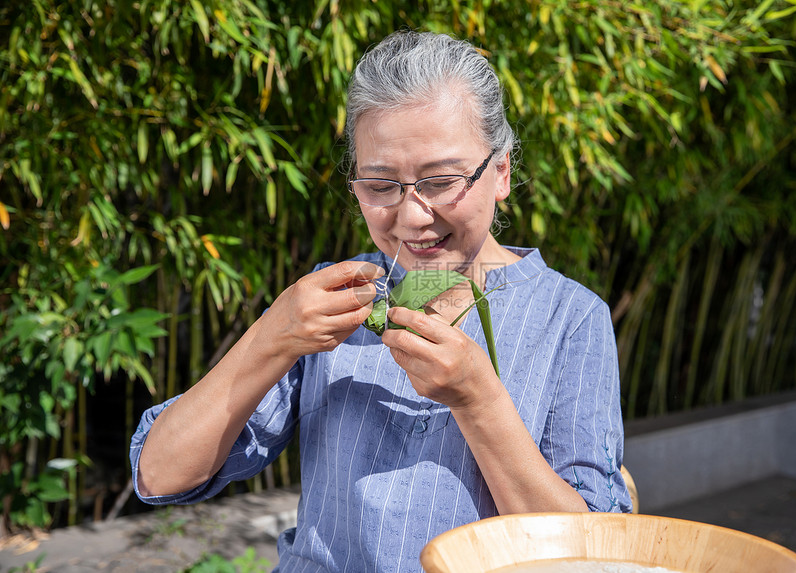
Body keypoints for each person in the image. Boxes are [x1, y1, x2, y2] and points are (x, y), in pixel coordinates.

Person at [130, 30, 631, 573]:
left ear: (502, 171)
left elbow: (592, 552)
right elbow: (160, 475)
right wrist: (272, 335)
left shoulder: (571, 318)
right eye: (380, 184)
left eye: (440, 181)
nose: (412, 216)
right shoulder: (334, 298)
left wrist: (477, 400)